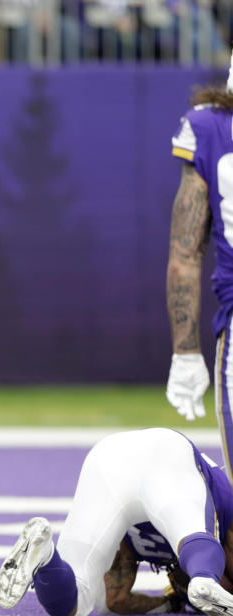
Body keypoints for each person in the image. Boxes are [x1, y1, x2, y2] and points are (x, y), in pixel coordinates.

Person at [0, 428, 233, 616]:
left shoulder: (141, 548)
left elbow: (114, 601)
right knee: (193, 532)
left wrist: (171, 603)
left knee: (74, 603)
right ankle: (204, 578)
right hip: (166, 453)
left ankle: (46, 556)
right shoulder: (221, 514)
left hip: (107, 460)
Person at [166, 65, 233, 478]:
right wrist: (186, 350)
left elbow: (186, 253)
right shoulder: (210, 127)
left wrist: (186, 351)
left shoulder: (209, 128)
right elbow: (185, 253)